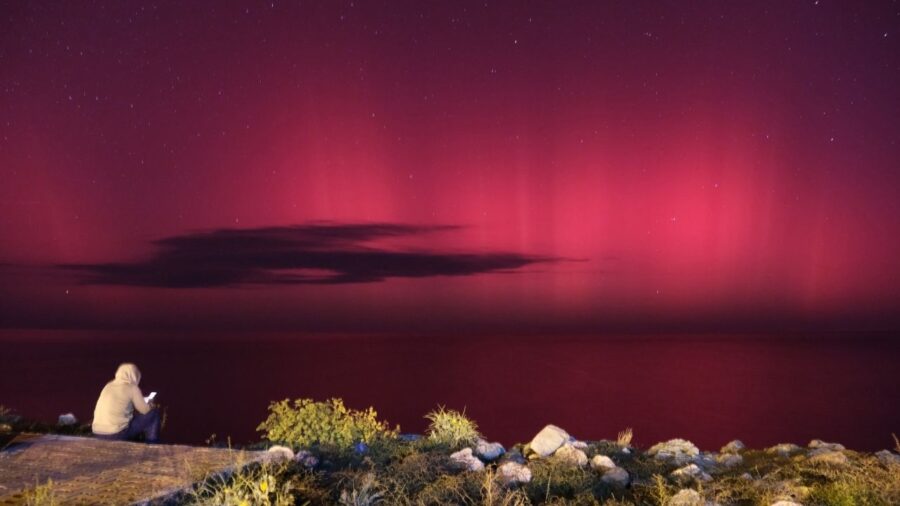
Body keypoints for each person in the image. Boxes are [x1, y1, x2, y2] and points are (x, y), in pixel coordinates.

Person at [92, 363, 161, 443]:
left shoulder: (108, 386)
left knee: (130, 417)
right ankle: (152, 444)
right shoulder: (132, 388)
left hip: (97, 433)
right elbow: (144, 410)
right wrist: (150, 405)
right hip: (115, 434)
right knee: (154, 413)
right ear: (134, 376)